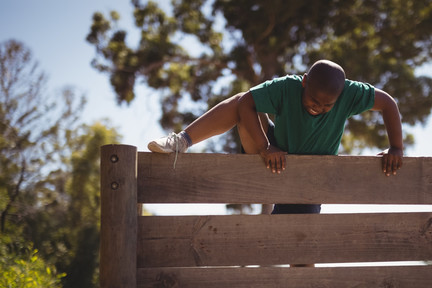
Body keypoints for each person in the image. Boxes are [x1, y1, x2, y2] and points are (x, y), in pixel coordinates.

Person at [148, 60, 404, 214]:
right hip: (274, 153)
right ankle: (182, 141)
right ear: (304, 82)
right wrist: (265, 146)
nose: (318, 107)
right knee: (242, 100)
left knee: (299, 250)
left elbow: (389, 103)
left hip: (308, 178)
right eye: (314, 101)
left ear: (341, 96)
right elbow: (248, 102)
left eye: (327, 106)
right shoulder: (288, 86)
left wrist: (396, 147)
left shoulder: (351, 93)